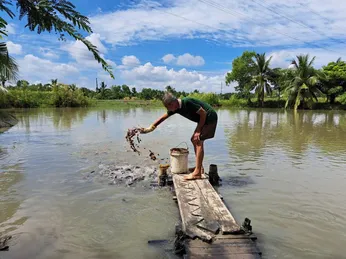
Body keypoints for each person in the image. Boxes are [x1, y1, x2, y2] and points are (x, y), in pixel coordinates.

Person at [140, 92, 218, 180]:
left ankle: (197, 173)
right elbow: (163, 117)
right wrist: (150, 128)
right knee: (194, 140)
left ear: (172, 103)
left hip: (210, 117)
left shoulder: (187, 102)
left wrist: (198, 130)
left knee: (198, 141)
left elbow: (203, 113)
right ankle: (199, 168)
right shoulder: (176, 108)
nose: (167, 109)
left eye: (167, 107)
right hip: (203, 119)